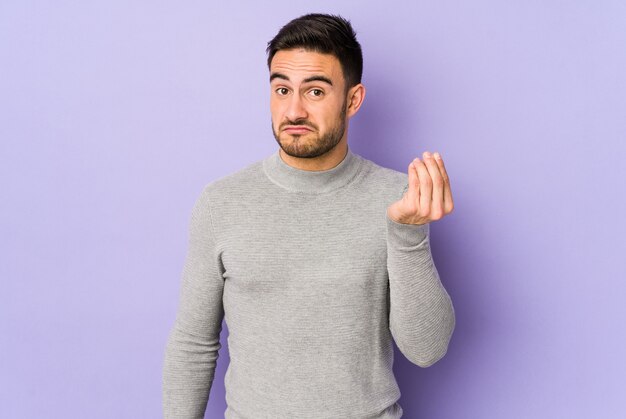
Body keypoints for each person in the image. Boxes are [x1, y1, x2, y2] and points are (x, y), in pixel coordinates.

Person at [163, 13, 455, 419]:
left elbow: (427, 349)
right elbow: (193, 342)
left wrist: (409, 234)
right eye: (282, 89)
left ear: (352, 100)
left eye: (315, 92)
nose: (294, 110)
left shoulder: (397, 198)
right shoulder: (221, 203)